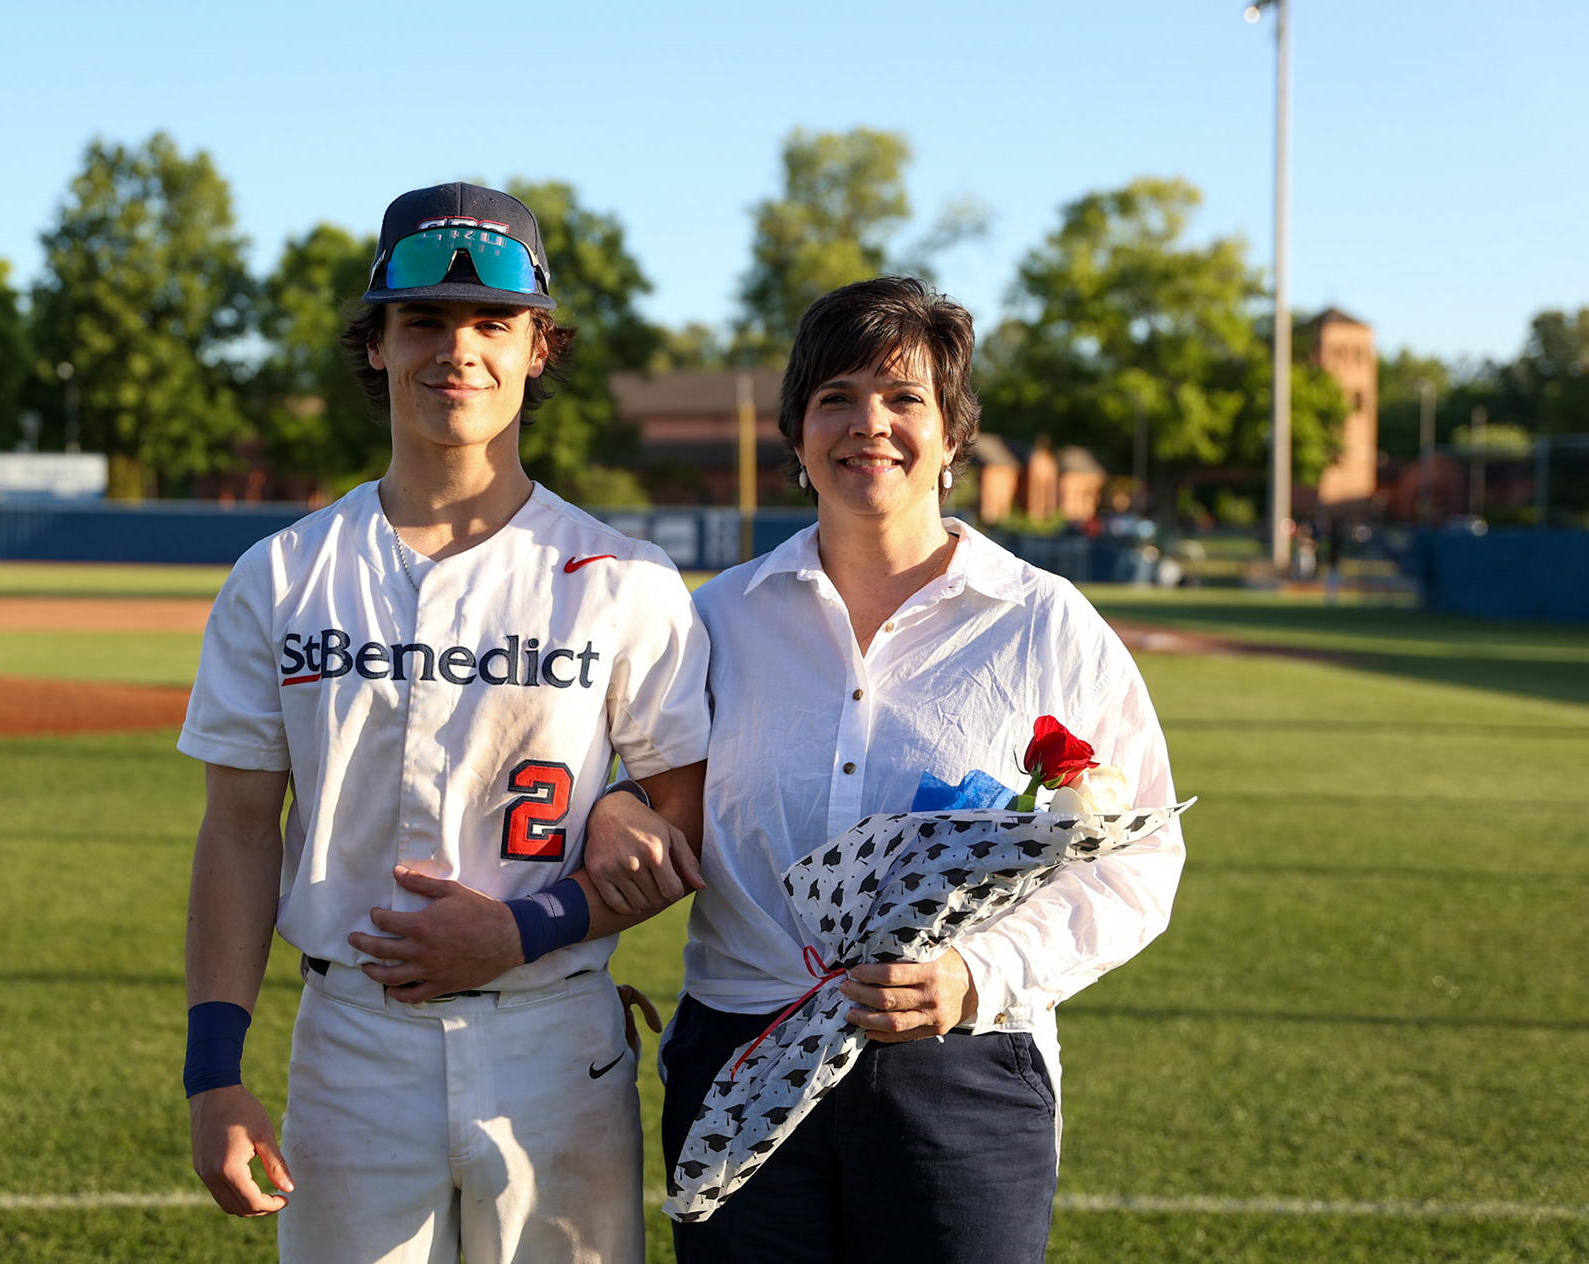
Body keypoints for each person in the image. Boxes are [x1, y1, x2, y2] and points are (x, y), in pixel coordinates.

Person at [586, 276, 1185, 1262]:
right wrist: (620, 808)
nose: (870, 423)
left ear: (952, 436)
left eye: (904, 397)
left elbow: (1141, 857)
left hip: (962, 1070)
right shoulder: (718, 619)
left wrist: (973, 972)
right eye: (835, 398)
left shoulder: (1044, 624)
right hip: (744, 1045)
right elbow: (657, 792)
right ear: (798, 432)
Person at [179, 181, 710, 1264]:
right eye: (422, 320)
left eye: (491, 322)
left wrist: (524, 927)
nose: (454, 350)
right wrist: (214, 1069)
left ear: (539, 347)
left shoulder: (626, 579)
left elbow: (684, 812)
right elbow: (237, 827)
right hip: (352, 1041)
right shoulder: (282, 574)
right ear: (374, 342)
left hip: (555, 1036)